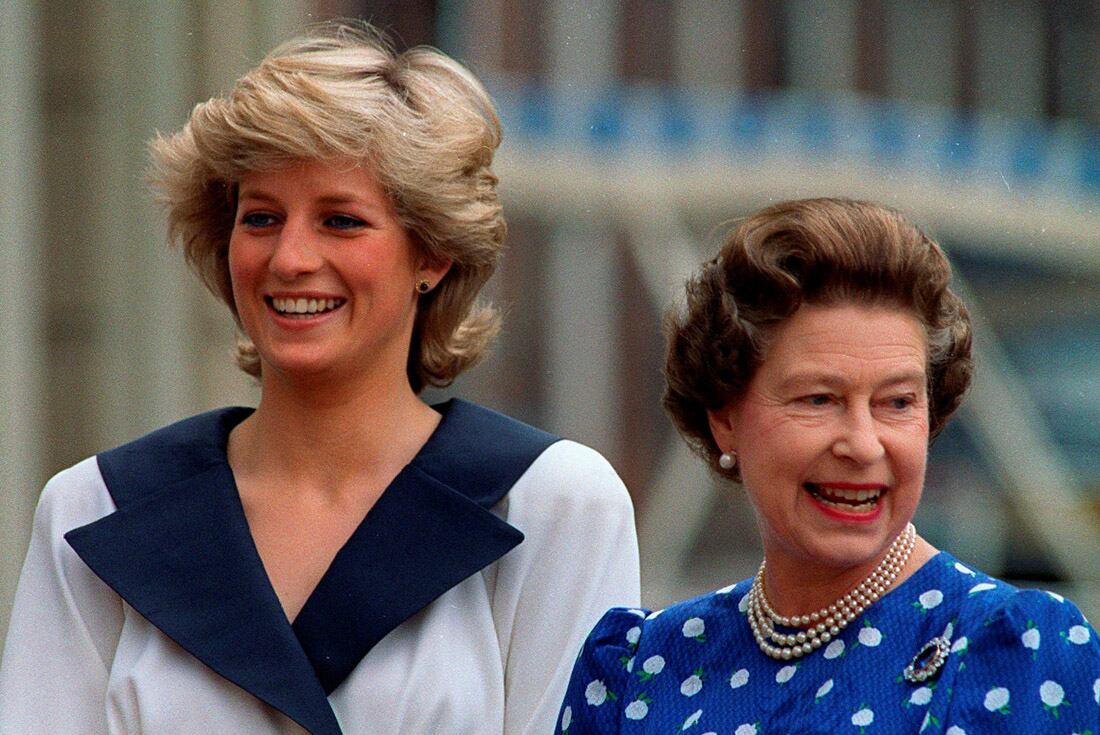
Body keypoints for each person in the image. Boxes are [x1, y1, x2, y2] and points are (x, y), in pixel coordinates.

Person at [0, 23, 639, 735]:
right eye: (262, 217)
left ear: (431, 253)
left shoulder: (554, 507)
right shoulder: (92, 510)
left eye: (340, 220)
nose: (290, 257)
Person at [557, 198, 1100, 733]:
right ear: (723, 418)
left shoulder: (1012, 651)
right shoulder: (639, 670)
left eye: (897, 402)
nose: (864, 446)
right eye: (818, 399)